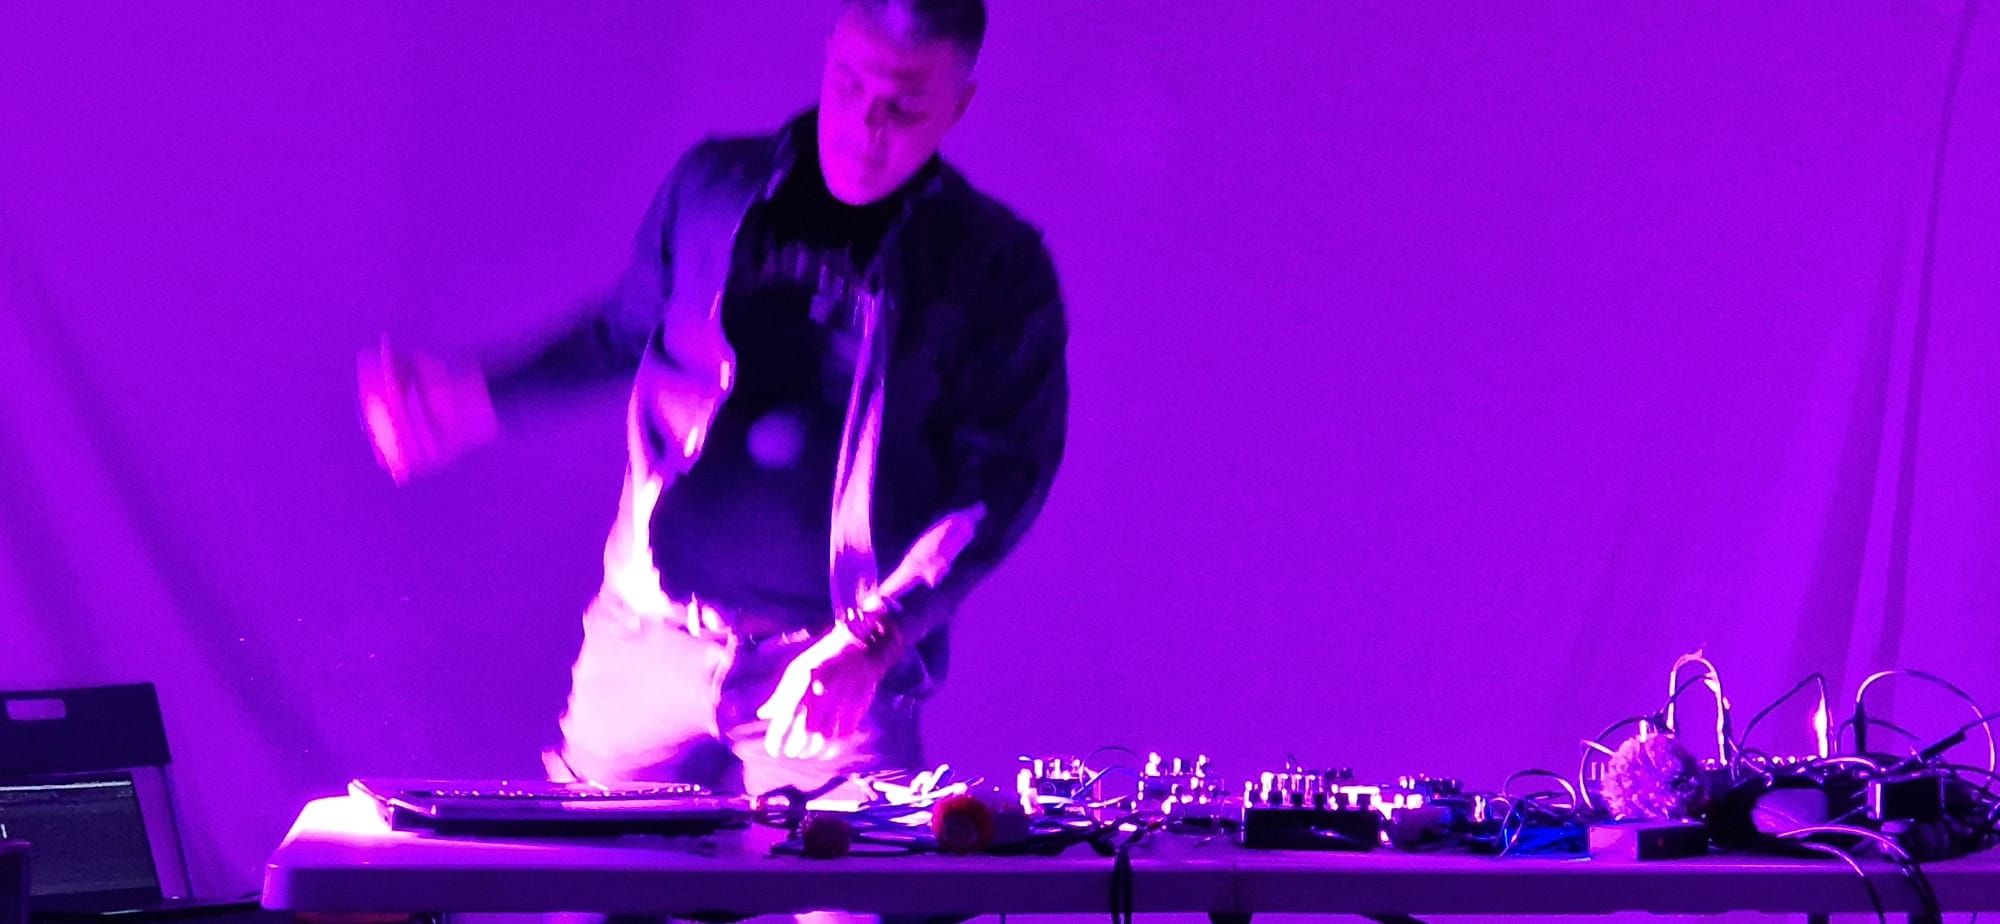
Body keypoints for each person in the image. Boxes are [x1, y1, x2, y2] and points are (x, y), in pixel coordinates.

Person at [358, 0, 1067, 806]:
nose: (866, 127)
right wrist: (479, 396)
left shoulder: (996, 268)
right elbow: (624, 329)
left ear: (958, 105)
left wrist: (875, 639)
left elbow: (1002, 482)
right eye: (850, 84)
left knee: (855, 880)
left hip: (832, 671)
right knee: (577, 872)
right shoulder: (712, 188)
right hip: (647, 633)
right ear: (830, 54)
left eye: (903, 106)